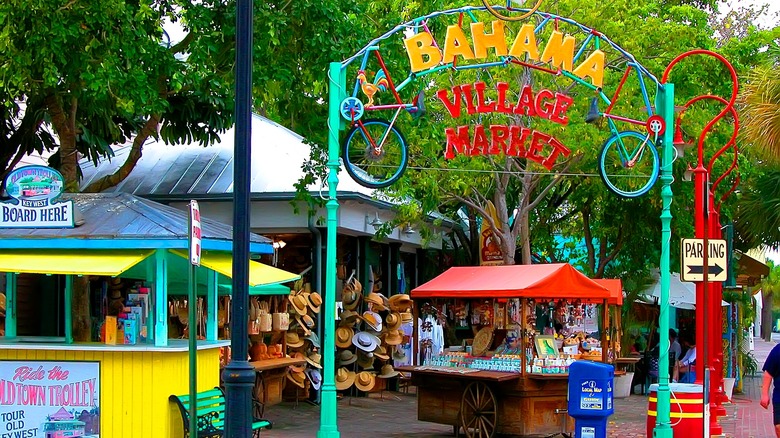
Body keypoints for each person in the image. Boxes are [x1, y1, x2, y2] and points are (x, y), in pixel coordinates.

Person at [761, 342, 780, 437]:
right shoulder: (777, 350)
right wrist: (765, 394)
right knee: (778, 427)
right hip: (779, 397)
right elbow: (768, 373)